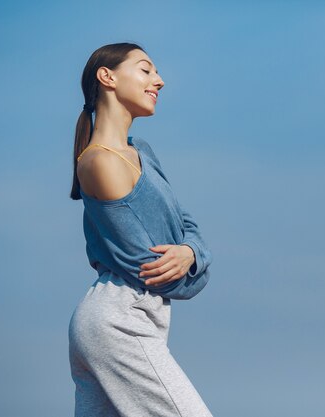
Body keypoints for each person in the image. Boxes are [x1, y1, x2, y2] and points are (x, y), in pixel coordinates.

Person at [68, 42, 214, 416]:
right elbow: (151, 270)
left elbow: (187, 224)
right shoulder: (100, 163)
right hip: (119, 320)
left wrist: (190, 253)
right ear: (108, 77)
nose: (160, 81)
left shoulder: (142, 152)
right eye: (146, 70)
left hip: (128, 319)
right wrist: (194, 262)